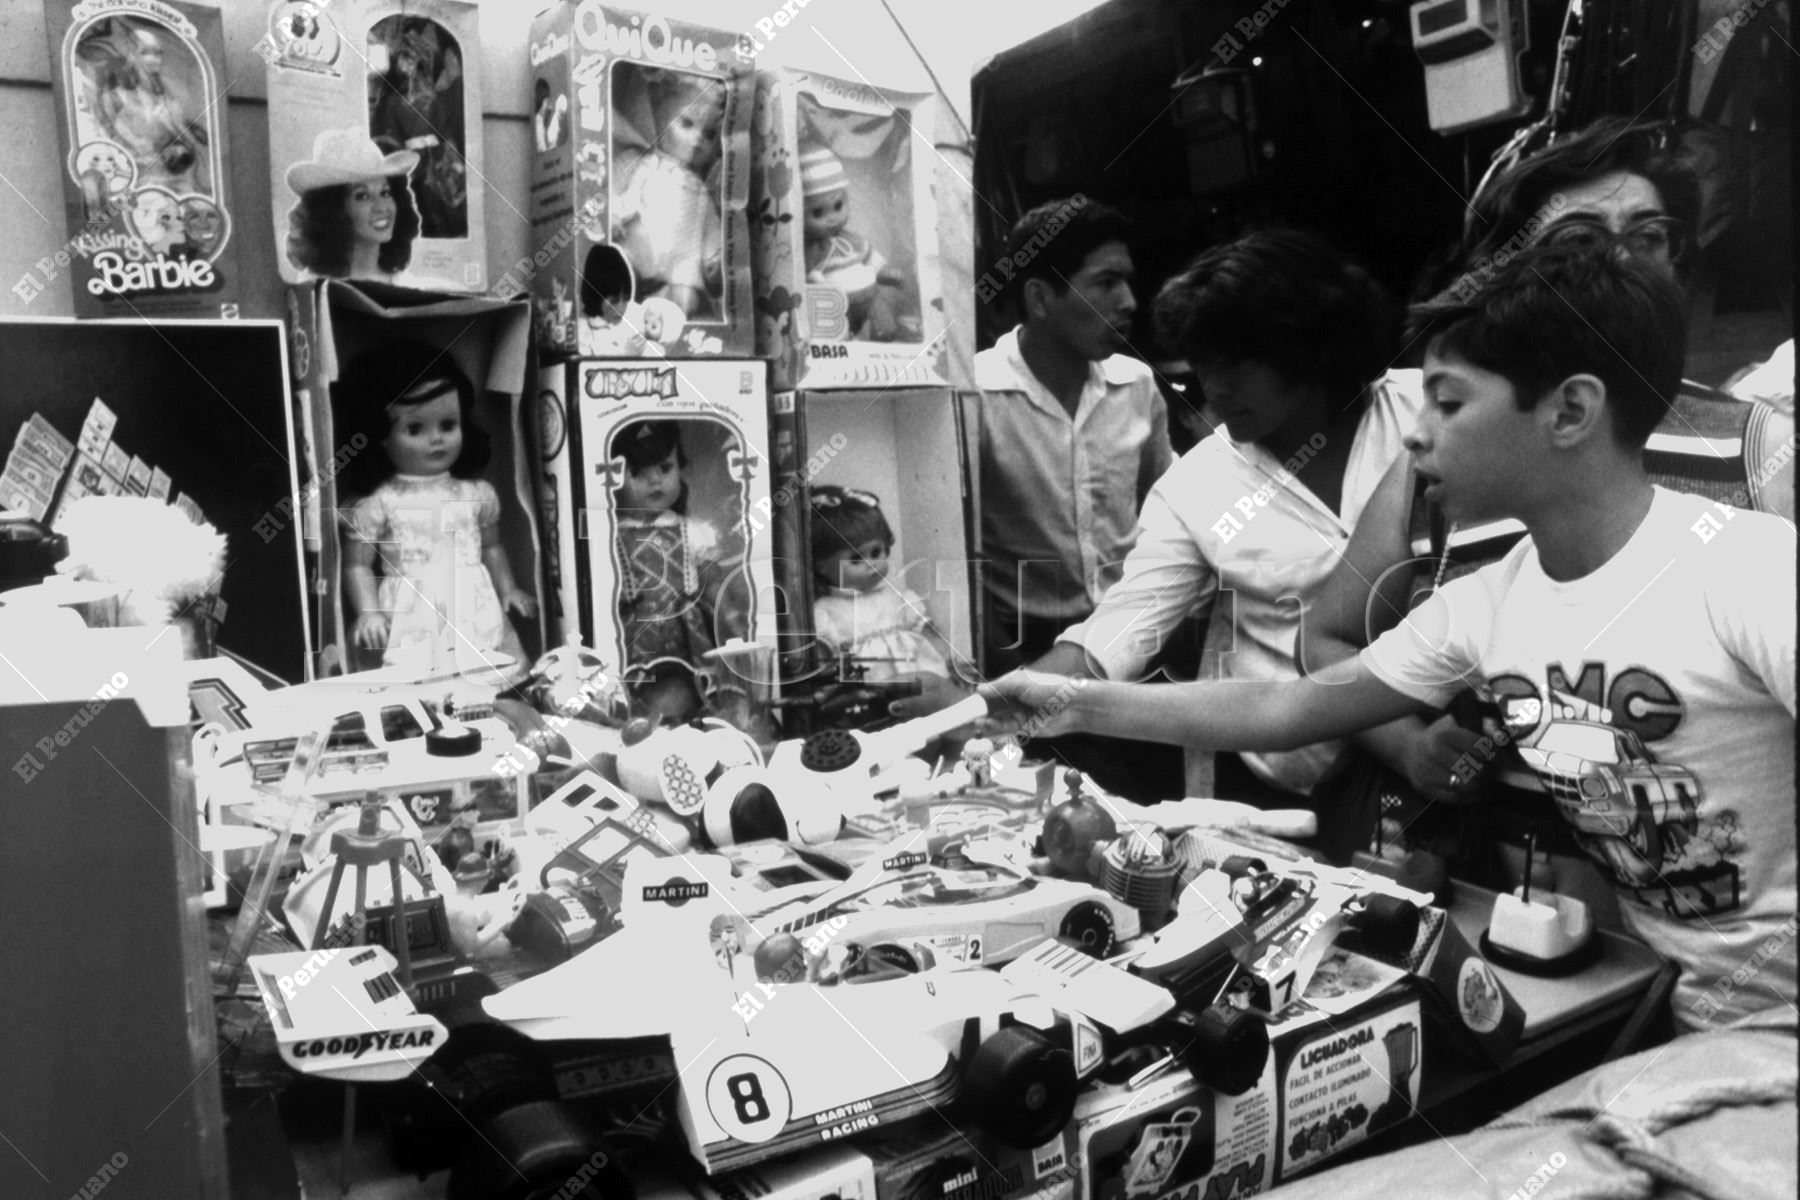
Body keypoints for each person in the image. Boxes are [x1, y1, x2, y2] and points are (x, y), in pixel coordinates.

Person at [986, 244, 1796, 1035]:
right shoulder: (1489, 602)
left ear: (1572, 412)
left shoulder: (1745, 572)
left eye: (1447, 403)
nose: (1415, 435)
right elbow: (1286, 704)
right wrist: (1072, 702)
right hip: (1682, 1008)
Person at [1296, 117, 1795, 879]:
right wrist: (1409, 744)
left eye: (1650, 235)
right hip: (1518, 913)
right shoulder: (1445, 472)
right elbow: (1328, 638)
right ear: (1514, 277)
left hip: (1728, 905)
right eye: (1581, 241)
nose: (1622, 262)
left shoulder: (1759, 447)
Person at [1029, 229, 1421, 816]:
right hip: (1286, 783)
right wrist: (1004, 702)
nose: (1213, 389)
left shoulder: (1427, 415)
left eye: (1235, 366)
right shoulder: (1198, 486)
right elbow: (1121, 629)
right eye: (1202, 367)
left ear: (1307, 349)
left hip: (1449, 764)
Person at [969, 198, 1175, 798]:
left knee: (1158, 817)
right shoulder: (976, 395)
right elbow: (953, 542)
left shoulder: (1136, 386)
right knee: (1060, 814)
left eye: (1128, 282)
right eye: (1106, 283)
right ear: (1039, 299)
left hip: (1137, 646)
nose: (1129, 303)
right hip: (1030, 657)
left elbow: (1169, 512)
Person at [339, 342, 534, 681]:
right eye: (415, 429)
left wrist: (509, 588)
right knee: (419, 680)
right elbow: (357, 564)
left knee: (486, 674)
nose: (437, 439)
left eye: (448, 424)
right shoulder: (381, 502)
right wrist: (368, 612)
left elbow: (492, 547)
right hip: (412, 612)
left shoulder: (476, 494)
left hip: (473, 606)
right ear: (380, 436)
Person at [610, 420, 751, 727]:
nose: (655, 481)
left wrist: (729, 613)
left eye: (665, 468)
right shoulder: (609, 536)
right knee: (638, 690)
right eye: (637, 473)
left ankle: (691, 727)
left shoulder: (694, 532)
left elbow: (710, 581)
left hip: (686, 630)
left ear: (680, 469)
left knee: (693, 687)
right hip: (635, 633)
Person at [809, 485, 955, 682]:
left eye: (876, 552)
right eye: (856, 559)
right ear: (822, 566)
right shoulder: (825, 611)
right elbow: (822, 660)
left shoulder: (898, 596)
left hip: (919, 677)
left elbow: (927, 631)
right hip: (869, 687)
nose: (872, 565)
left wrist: (948, 659)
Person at [611, 71, 725, 319]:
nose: (697, 139)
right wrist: (616, 214)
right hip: (637, 252)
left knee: (685, 298)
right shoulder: (647, 164)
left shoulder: (701, 189)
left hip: (679, 270)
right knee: (616, 270)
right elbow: (626, 193)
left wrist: (713, 256)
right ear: (658, 118)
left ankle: (662, 325)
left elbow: (710, 226)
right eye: (686, 124)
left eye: (709, 134)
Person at [799, 144, 910, 342]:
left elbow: (869, 256)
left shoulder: (848, 239)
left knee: (883, 314)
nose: (832, 218)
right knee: (838, 335)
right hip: (837, 308)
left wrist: (884, 270)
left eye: (838, 206)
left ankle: (883, 332)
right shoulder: (808, 249)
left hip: (870, 296)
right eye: (818, 212)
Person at [284, 129, 423, 284]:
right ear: (334, 210)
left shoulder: (407, 284)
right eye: (362, 196)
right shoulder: (313, 285)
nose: (381, 207)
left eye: (385, 193)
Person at [90, 22, 207, 195]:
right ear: (131, 55)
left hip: (175, 175)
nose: (153, 60)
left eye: (157, 53)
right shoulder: (116, 96)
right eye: (145, 53)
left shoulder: (167, 96)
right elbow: (110, 136)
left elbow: (183, 135)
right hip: (139, 178)